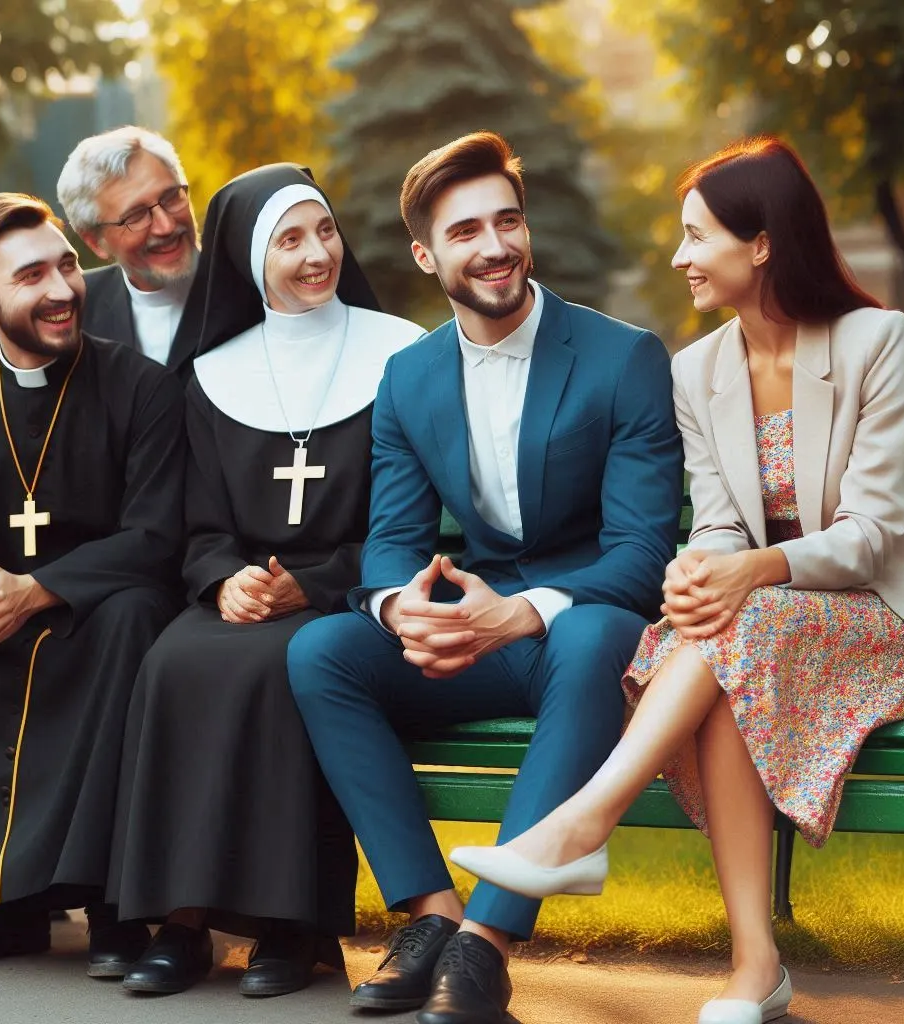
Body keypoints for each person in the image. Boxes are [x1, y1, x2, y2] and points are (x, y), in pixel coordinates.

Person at [449, 137, 904, 1024]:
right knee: (716, 640)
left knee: (736, 631)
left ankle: (584, 824)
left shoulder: (876, 340)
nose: (679, 258)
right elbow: (716, 520)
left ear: (760, 243)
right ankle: (754, 967)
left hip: (891, 617)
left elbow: (871, 536)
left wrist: (748, 571)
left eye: (696, 236)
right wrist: (697, 569)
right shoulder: (696, 370)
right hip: (768, 623)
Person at [286, 132, 683, 1024]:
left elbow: (641, 553)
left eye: (508, 220)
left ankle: (485, 948)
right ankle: (431, 916)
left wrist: (525, 613)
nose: (495, 245)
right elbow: (391, 540)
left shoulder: (623, 359)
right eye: (466, 231)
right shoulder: (408, 377)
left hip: (569, 628)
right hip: (468, 628)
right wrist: (402, 611)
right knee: (322, 652)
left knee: (594, 634)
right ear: (427, 254)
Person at [107, 164, 426, 998]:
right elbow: (201, 525)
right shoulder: (214, 374)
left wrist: (312, 585)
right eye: (290, 239)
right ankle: (181, 921)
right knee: (175, 661)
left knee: (289, 664)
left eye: (325, 231)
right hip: (245, 592)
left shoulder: (398, 353)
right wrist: (223, 582)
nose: (317, 253)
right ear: (251, 260)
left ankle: (296, 928)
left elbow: (404, 522)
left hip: (353, 592)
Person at [0, 193, 185, 975]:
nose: (65, 288)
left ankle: (113, 902)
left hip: (107, 604)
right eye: (32, 274)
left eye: (67, 263)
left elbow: (156, 536)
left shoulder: (142, 388)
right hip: (2, 608)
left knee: (133, 617)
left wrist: (36, 591)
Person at [57, 126, 202, 378]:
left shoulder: (253, 284)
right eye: (134, 217)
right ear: (95, 242)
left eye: (171, 197)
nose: (165, 226)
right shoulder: (73, 312)